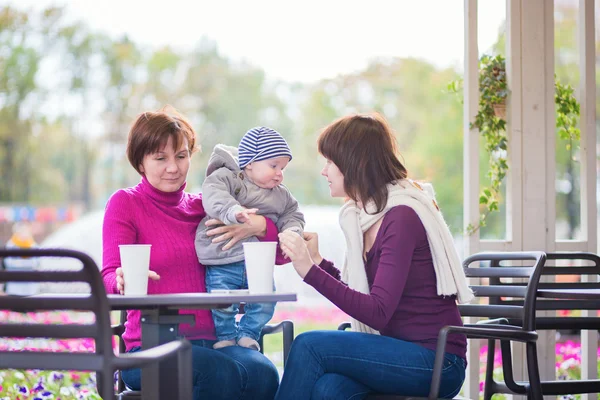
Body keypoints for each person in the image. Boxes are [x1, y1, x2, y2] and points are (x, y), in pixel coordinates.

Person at [275, 113, 473, 399]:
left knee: (308, 345)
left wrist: (310, 272)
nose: (324, 171)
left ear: (354, 162)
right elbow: (365, 294)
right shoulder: (365, 217)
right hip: (396, 352)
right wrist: (317, 262)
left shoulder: (401, 216)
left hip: (437, 361)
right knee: (328, 389)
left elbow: (377, 312)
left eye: (330, 161)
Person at [101, 106, 279, 400]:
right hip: (150, 348)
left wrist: (257, 226)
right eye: (160, 158)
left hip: (213, 342)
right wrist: (120, 280)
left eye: (181, 156)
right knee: (219, 372)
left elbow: (277, 251)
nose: (173, 167)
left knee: (263, 374)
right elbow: (108, 273)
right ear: (141, 162)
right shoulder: (126, 204)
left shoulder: (206, 206)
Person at [195, 126, 304, 351]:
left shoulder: (281, 195)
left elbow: (293, 214)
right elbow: (213, 192)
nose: (279, 173)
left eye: (283, 167)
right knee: (221, 301)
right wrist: (233, 211)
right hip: (223, 258)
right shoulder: (229, 178)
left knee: (265, 300)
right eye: (273, 165)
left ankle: (248, 334)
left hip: (258, 264)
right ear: (250, 162)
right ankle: (225, 336)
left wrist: (292, 231)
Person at [3, 222, 40, 296]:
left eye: (25, 231)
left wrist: (18, 263)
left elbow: (35, 263)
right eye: (21, 231)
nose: (24, 233)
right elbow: (8, 263)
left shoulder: (33, 245)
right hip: (14, 287)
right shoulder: (10, 245)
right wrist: (26, 263)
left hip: (30, 288)